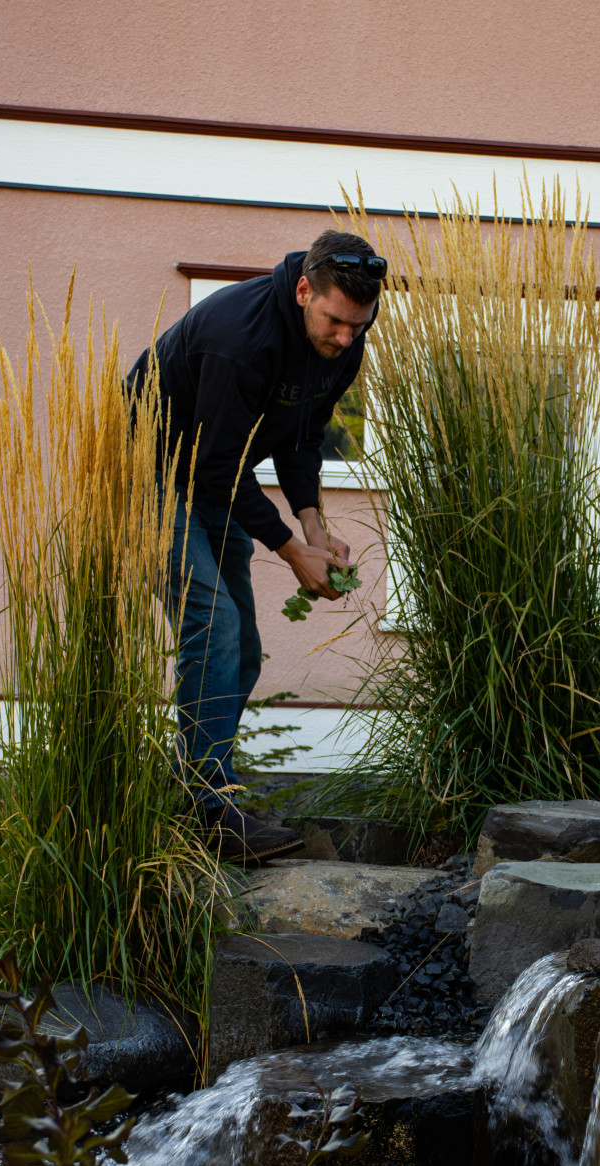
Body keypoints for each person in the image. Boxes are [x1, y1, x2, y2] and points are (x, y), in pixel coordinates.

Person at [128, 230, 386, 865]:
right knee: (211, 624)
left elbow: (301, 437)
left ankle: (210, 788)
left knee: (240, 642)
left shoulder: (342, 339)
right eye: (336, 321)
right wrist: (287, 548)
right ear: (304, 290)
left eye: (359, 324)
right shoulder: (238, 337)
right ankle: (207, 811)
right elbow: (216, 465)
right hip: (156, 468)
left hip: (217, 470)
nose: (347, 338)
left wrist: (314, 525)